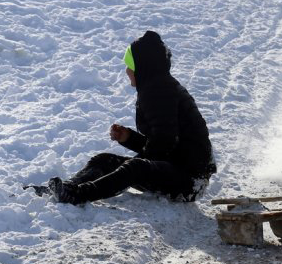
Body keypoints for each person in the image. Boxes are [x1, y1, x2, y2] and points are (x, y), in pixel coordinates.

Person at [44, 30, 216, 204]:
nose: (127, 70)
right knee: (105, 160)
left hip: (190, 181)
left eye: (130, 65)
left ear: (143, 67)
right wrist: (130, 138)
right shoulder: (158, 86)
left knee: (134, 168)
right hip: (179, 169)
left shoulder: (158, 92)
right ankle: (66, 188)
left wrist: (132, 165)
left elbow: (164, 144)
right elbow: (167, 146)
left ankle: (78, 194)